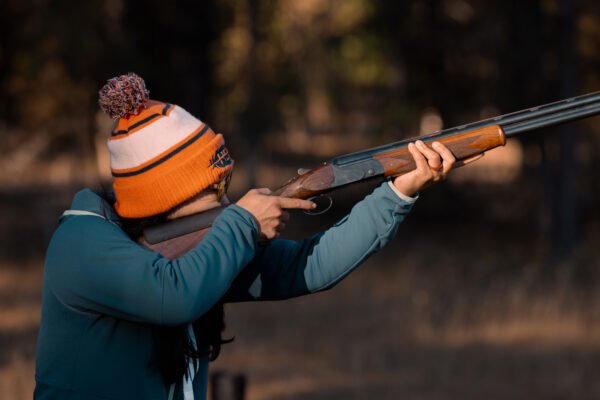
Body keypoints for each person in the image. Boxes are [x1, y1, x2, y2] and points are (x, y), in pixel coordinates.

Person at [34, 73, 468, 400]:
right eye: (214, 190)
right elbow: (171, 296)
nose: (226, 199)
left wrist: (398, 192)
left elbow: (307, 267)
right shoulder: (81, 245)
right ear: (165, 200)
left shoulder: (198, 252)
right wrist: (242, 223)